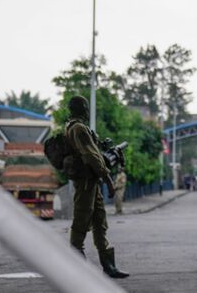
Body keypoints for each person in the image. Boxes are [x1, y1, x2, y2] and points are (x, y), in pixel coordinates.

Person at [63, 95, 129, 278]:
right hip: (85, 182)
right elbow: (91, 156)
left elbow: (95, 153)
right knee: (81, 220)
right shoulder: (78, 128)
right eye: (84, 106)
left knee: (100, 222)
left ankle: (109, 266)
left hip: (92, 182)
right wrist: (107, 179)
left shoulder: (74, 127)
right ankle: (76, 265)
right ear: (78, 108)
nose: (86, 109)